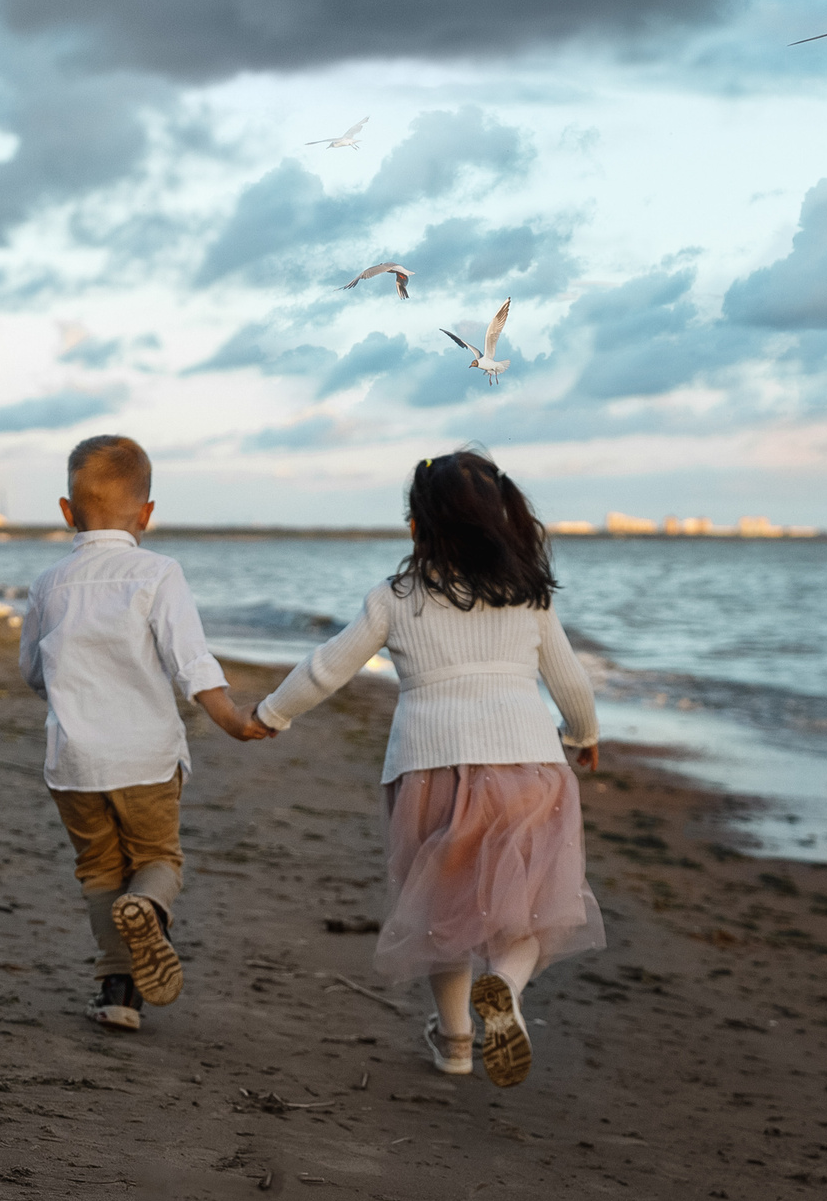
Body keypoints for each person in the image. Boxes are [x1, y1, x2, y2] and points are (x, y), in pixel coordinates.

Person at [254, 448, 603, 1087]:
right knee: (531, 906)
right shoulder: (527, 598)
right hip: (528, 767)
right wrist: (583, 735)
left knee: (444, 909)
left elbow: (328, 667)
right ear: (502, 520)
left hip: (431, 772)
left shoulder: (395, 598)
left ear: (417, 526)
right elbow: (571, 682)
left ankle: (457, 1041)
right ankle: (505, 988)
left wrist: (270, 713)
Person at [19, 434, 271, 1030]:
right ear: (147, 513)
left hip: (75, 763)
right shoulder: (158, 573)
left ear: (67, 511)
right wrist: (230, 717)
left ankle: (117, 996)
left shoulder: (49, 584)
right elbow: (190, 660)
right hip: (146, 759)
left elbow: (33, 672)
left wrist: (71, 689)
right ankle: (148, 906)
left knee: (99, 871)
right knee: (157, 858)